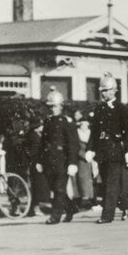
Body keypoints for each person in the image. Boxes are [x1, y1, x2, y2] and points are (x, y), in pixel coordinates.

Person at [87, 74, 128, 223]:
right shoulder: (99, 109)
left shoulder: (122, 109)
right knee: (107, 184)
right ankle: (125, 205)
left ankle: (107, 216)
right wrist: (90, 148)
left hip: (115, 151)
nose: (103, 93)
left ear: (114, 90)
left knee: (111, 185)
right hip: (102, 152)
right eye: (102, 91)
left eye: (107, 90)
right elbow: (94, 132)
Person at [36, 88, 80, 224]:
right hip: (49, 159)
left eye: (54, 106)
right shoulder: (48, 121)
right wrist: (40, 161)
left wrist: (72, 162)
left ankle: (55, 216)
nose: (51, 109)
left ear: (61, 106)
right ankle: (71, 207)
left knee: (60, 188)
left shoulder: (67, 122)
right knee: (55, 188)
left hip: (63, 160)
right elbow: (43, 143)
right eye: (49, 107)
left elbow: (73, 144)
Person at [74, 113, 96, 208]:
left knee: (92, 178)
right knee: (82, 178)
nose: (84, 126)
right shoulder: (77, 133)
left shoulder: (90, 133)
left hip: (91, 159)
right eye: (82, 124)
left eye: (86, 124)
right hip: (81, 159)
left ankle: (91, 198)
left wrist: (93, 154)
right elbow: (76, 147)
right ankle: (84, 199)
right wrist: (83, 155)